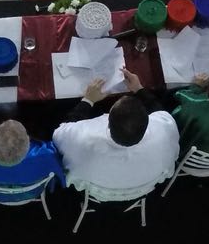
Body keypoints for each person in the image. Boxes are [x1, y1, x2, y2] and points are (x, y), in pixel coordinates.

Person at [51, 69, 179, 197]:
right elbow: (162, 113)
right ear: (147, 122)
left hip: (97, 194)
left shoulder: (81, 138)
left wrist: (88, 100)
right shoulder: (164, 132)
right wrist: (139, 89)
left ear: (107, 121)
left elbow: (59, 133)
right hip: (140, 190)